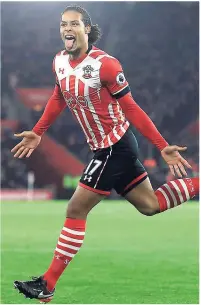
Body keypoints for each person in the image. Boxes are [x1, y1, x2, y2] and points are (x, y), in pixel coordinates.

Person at [12, 5, 199, 303]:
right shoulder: (59, 61)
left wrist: (163, 145)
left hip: (115, 146)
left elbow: (132, 108)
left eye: (73, 24)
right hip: (103, 147)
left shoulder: (106, 65)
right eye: (63, 24)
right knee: (150, 205)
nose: (67, 29)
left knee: (75, 210)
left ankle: (46, 284)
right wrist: (38, 130)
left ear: (87, 29)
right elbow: (59, 95)